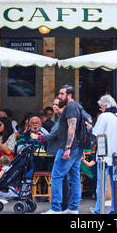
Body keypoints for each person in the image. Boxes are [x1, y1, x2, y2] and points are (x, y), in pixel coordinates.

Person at [41, 84, 83, 215]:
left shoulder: (70, 107)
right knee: (75, 177)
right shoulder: (77, 106)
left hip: (69, 147)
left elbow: (72, 127)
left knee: (56, 176)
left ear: (69, 95)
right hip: (78, 147)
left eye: (61, 94)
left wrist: (67, 148)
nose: (59, 96)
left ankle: (56, 208)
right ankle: (73, 208)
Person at [91, 94, 117, 214]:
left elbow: (96, 134)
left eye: (101, 107)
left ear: (105, 106)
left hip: (104, 156)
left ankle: (98, 210)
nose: (100, 109)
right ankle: (114, 209)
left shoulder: (104, 116)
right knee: (115, 183)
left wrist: (89, 128)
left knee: (101, 185)